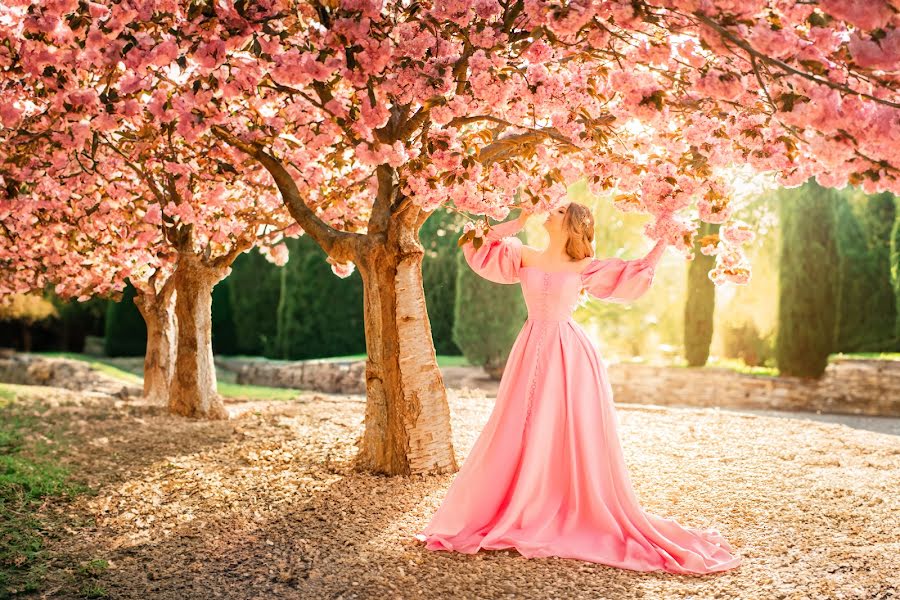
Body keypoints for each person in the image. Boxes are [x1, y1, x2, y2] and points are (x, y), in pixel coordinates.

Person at [413, 201, 742, 575]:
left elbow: (634, 275)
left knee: (566, 428)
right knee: (518, 424)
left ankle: (559, 504)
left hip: (570, 352)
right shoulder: (523, 255)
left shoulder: (585, 267)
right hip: (530, 344)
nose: (546, 213)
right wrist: (517, 221)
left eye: (555, 212)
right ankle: (518, 499)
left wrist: (663, 241)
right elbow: (476, 244)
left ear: (570, 224)